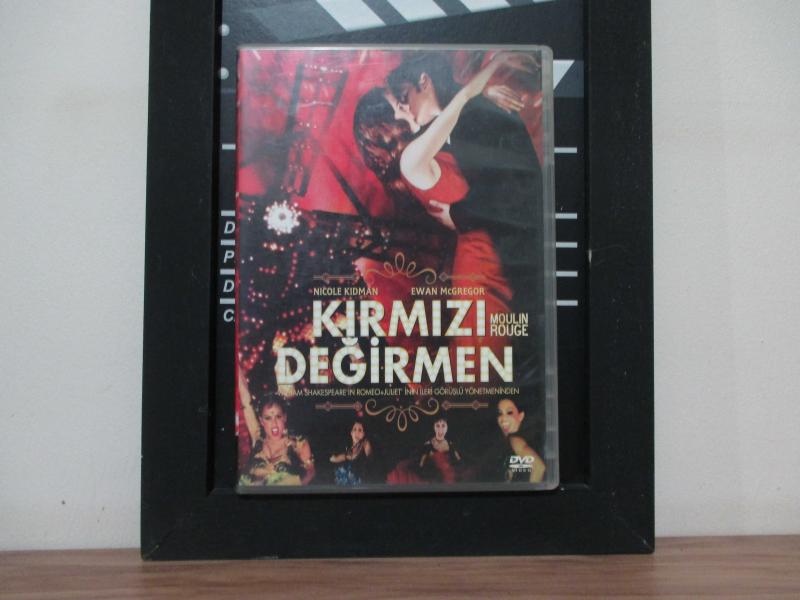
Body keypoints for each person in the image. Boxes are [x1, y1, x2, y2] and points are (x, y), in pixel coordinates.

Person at [354, 52, 535, 361]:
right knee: (485, 361)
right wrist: (493, 69)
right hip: (480, 261)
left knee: (500, 354)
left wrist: (484, 96)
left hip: (493, 249)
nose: (402, 107)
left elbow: (455, 116)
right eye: (396, 104)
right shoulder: (411, 159)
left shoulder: (434, 138)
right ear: (385, 126)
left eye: (401, 98)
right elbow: (459, 103)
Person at [237, 370, 315, 486]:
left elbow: (311, 473)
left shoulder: (299, 443)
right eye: (268, 418)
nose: (274, 423)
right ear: (261, 421)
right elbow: (246, 401)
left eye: (278, 416)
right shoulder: (257, 438)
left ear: (285, 417)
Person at [496, 398, 545, 483]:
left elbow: (539, 468)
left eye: (509, 412)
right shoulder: (516, 440)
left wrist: (530, 490)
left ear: (520, 416)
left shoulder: (515, 441)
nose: (503, 418)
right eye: (500, 413)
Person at [418, 417, 462, 483]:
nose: (440, 429)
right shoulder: (428, 444)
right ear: (434, 427)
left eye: (443, 426)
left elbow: (459, 461)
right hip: (434, 479)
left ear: (447, 428)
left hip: (451, 478)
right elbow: (421, 465)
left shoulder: (450, 444)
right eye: (437, 426)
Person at [329, 420, 373, 486]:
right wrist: (344, 457)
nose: (357, 433)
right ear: (351, 433)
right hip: (342, 484)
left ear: (363, 434)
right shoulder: (346, 447)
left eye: (360, 430)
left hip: (359, 484)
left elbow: (370, 457)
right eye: (354, 429)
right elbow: (332, 459)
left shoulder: (365, 444)